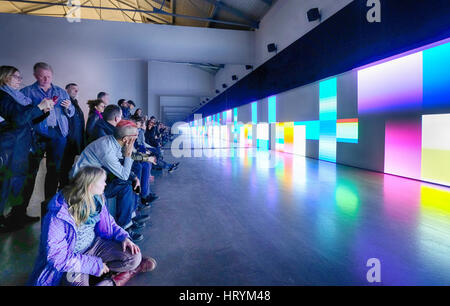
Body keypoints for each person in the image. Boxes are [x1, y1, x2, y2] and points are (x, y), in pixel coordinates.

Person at [28, 166, 157, 286]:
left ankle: (109, 275)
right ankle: (116, 278)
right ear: (90, 186)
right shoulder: (58, 215)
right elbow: (57, 257)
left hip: (95, 246)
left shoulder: (97, 198)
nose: (106, 184)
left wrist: (123, 237)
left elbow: (109, 224)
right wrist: (95, 265)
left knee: (134, 257)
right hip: (73, 258)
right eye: (103, 181)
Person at [70, 120, 152, 242]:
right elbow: (124, 174)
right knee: (125, 182)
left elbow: (124, 157)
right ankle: (124, 228)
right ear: (126, 139)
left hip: (95, 179)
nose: (136, 139)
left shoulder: (113, 141)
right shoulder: (107, 150)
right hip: (83, 185)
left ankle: (128, 221)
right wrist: (129, 155)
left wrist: (143, 161)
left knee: (128, 184)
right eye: (134, 137)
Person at [0, 66, 54, 232]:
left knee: (20, 184)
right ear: (4, 77)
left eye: (19, 76)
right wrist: (38, 108)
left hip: (23, 146)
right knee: (7, 185)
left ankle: (17, 216)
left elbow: (28, 119)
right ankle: (4, 219)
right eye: (16, 76)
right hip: (11, 148)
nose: (20, 79)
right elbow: (18, 119)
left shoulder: (18, 96)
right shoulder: (3, 96)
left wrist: (44, 111)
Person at [20, 62, 75, 203]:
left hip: (58, 134)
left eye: (48, 76)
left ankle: (49, 208)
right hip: (35, 135)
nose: (46, 79)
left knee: (54, 171)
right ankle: (19, 213)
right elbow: (21, 116)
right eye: (42, 76)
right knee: (30, 173)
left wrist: (69, 107)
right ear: (35, 76)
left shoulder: (61, 92)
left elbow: (71, 112)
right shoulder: (26, 92)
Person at [60, 83, 86, 188]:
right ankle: (62, 189)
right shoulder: (65, 101)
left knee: (68, 166)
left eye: (77, 89)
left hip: (74, 141)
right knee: (64, 167)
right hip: (67, 141)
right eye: (73, 89)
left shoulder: (75, 103)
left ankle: (65, 187)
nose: (76, 91)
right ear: (66, 90)